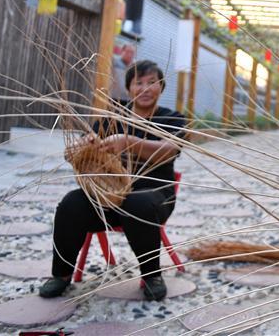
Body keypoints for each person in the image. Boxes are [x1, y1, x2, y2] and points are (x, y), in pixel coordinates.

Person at [40, 60, 185, 301]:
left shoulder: (172, 119)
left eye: (152, 83)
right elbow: (80, 147)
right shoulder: (113, 115)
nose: (145, 88)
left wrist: (128, 142)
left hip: (154, 196)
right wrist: (80, 148)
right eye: (138, 83)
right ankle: (61, 275)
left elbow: (169, 150)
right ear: (129, 88)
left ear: (162, 87)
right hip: (107, 196)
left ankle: (151, 276)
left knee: (138, 204)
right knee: (71, 204)